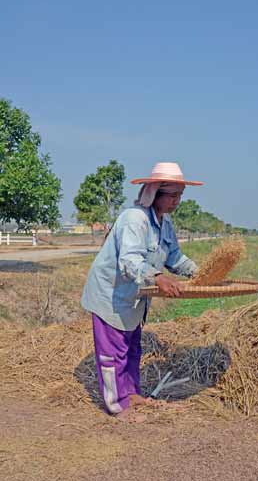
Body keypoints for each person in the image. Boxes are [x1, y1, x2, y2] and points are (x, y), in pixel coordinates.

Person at [81, 162, 203, 420]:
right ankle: (117, 405)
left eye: (180, 196)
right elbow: (130, 261)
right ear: (155, 192)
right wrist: (157, 277)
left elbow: (175, 257)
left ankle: (132, 394)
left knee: (132, 348)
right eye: (172, 195)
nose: (176, 201)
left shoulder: (164, 223)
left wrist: (201, 273)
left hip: (135, 298)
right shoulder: (134, 219)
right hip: (111, 295)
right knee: (113, 353)